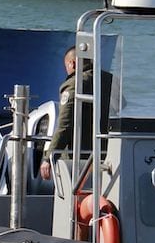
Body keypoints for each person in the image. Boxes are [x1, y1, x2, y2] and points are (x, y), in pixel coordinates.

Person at [39, 42, 110, 181]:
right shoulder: (111, 80)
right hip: (108, 155)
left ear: (72, 63)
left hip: (80, 158)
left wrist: (49, 157)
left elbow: (65, 124)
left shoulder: (74, 85)